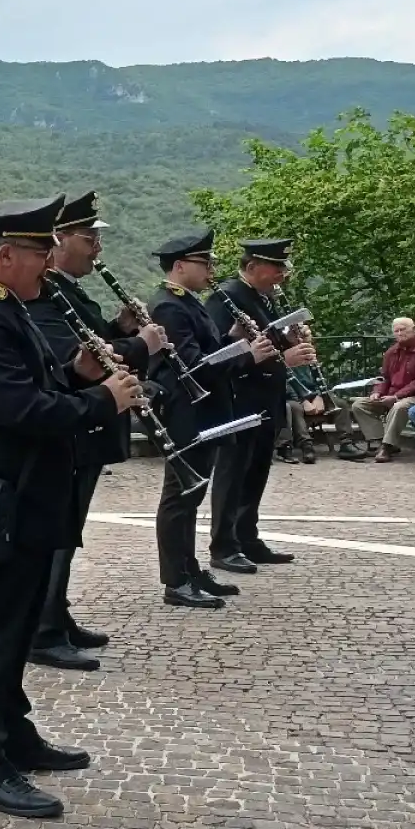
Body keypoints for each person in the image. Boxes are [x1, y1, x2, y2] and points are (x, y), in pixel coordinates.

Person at [0, 195, 142, 819]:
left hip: (23, 496)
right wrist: (105, 400)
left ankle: (14, 736)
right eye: (42, 252)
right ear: (7, 254)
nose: (50, 262)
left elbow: (36, 384)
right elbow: (19, 410)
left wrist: (76, 372)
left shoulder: (5, 304)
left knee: (15, 629)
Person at [21, 191, 164, 671]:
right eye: (89, 238)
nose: (96, 249)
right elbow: (77, 363)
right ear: (59, 241)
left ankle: (56, 616)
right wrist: (140, 345)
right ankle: (42, 629)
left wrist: (120, 325)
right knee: (59, 533)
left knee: (70, 529)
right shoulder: (44, 296)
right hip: (74, 430)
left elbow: (95, 337)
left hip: (88, 430)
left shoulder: (67, 290)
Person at [147, 230, 266, 609]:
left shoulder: (188, 302)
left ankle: (190, 568)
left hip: (204, 411)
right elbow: (192, 367)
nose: (211, 269)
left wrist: (235, 339)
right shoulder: (169, 306)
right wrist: (249, 357)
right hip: (187, 411)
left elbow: (209, 351)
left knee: (192, 497)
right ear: (180, 266)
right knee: (179, 498)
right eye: (205, 263)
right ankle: (175, 580)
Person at [205, 240, 317, 574]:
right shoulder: (225, 298)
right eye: (276, 267)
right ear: (252, 267)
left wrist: (291, 340)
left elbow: (265, 342)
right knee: (233, 472)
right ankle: (223, 545)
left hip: (266, 397)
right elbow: (220, 352)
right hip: (240, 399)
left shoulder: (261, 298)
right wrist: (285, 358)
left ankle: (246, 538)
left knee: (256, 472)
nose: (281, 275)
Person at [352, 317, 415, 462]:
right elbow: (385, 378)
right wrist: (377, 392)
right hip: (392, 394)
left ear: (414, 329)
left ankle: (386, 446)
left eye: (402, 329)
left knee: (399, 407)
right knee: (359, 405)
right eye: (396, 331)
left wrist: (397, 396)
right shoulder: (392, 352)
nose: (399, 333)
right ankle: (381, 441)